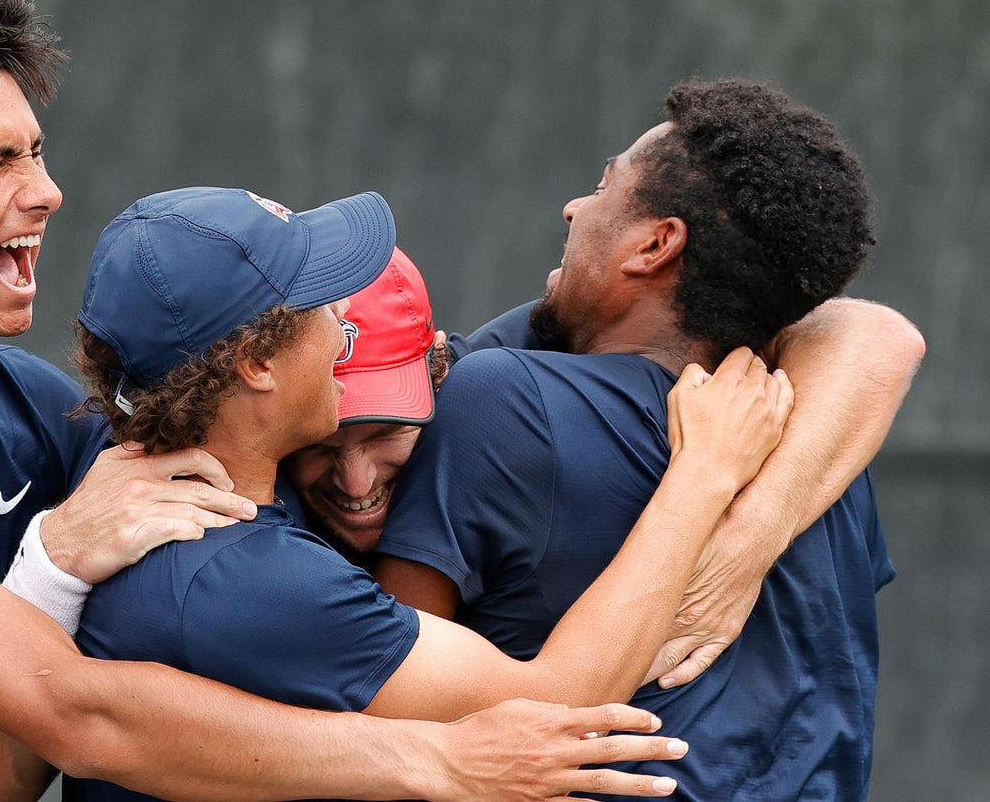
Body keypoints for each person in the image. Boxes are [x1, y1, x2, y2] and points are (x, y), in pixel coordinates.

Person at [0, 0, 694, 802]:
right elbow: (75, 713)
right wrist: (434, 759)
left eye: (40, 151)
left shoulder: (24, 409)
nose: (49, 190)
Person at [50, 184, 792, 802]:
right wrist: (704, 479)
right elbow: (557, 701)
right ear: (255, 365)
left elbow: (863, 333)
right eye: (316, 306)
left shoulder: (156, 477)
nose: (343, 319)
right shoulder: (250, 578)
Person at [375, 79, 917, 800]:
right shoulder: (825, 445)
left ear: (655, 245)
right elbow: (873, 332)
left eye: (604, 187)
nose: (574, 207)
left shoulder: (507, 401)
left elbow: (376, 676)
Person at [281, 250, 921, 684]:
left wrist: (749, 537)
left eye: (389, 430)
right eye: (319, 443)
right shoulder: (222, 512)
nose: (357, 480)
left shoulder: (487, 381)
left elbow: (875, 336)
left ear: (438, 366)